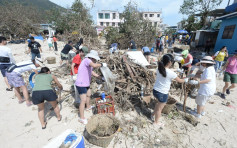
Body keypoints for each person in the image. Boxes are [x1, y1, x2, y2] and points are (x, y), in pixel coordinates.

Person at [151, 54, 188, 126]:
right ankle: (156, 122)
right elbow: (180, 81)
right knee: (160, 109)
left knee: (158, 104)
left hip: (155, 90)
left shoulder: (159, 68)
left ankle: (152, 114)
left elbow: (166, 70)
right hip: (162, 93)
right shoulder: (171, 73)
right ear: (169, 62)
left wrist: (175, 70)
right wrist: (186, 79)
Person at [75, 50, 106, 124]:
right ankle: (81, 118)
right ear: (92, 57)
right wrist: (102, 64)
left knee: (89, 94)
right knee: (83, 100)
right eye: (95, 59)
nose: (95, 60)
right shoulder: (86, 60)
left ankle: (88, 106)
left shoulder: (89, 63)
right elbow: (95, 65)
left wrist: (100, 77)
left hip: (86, 83)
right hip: (81, 84)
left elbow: (92, 72)